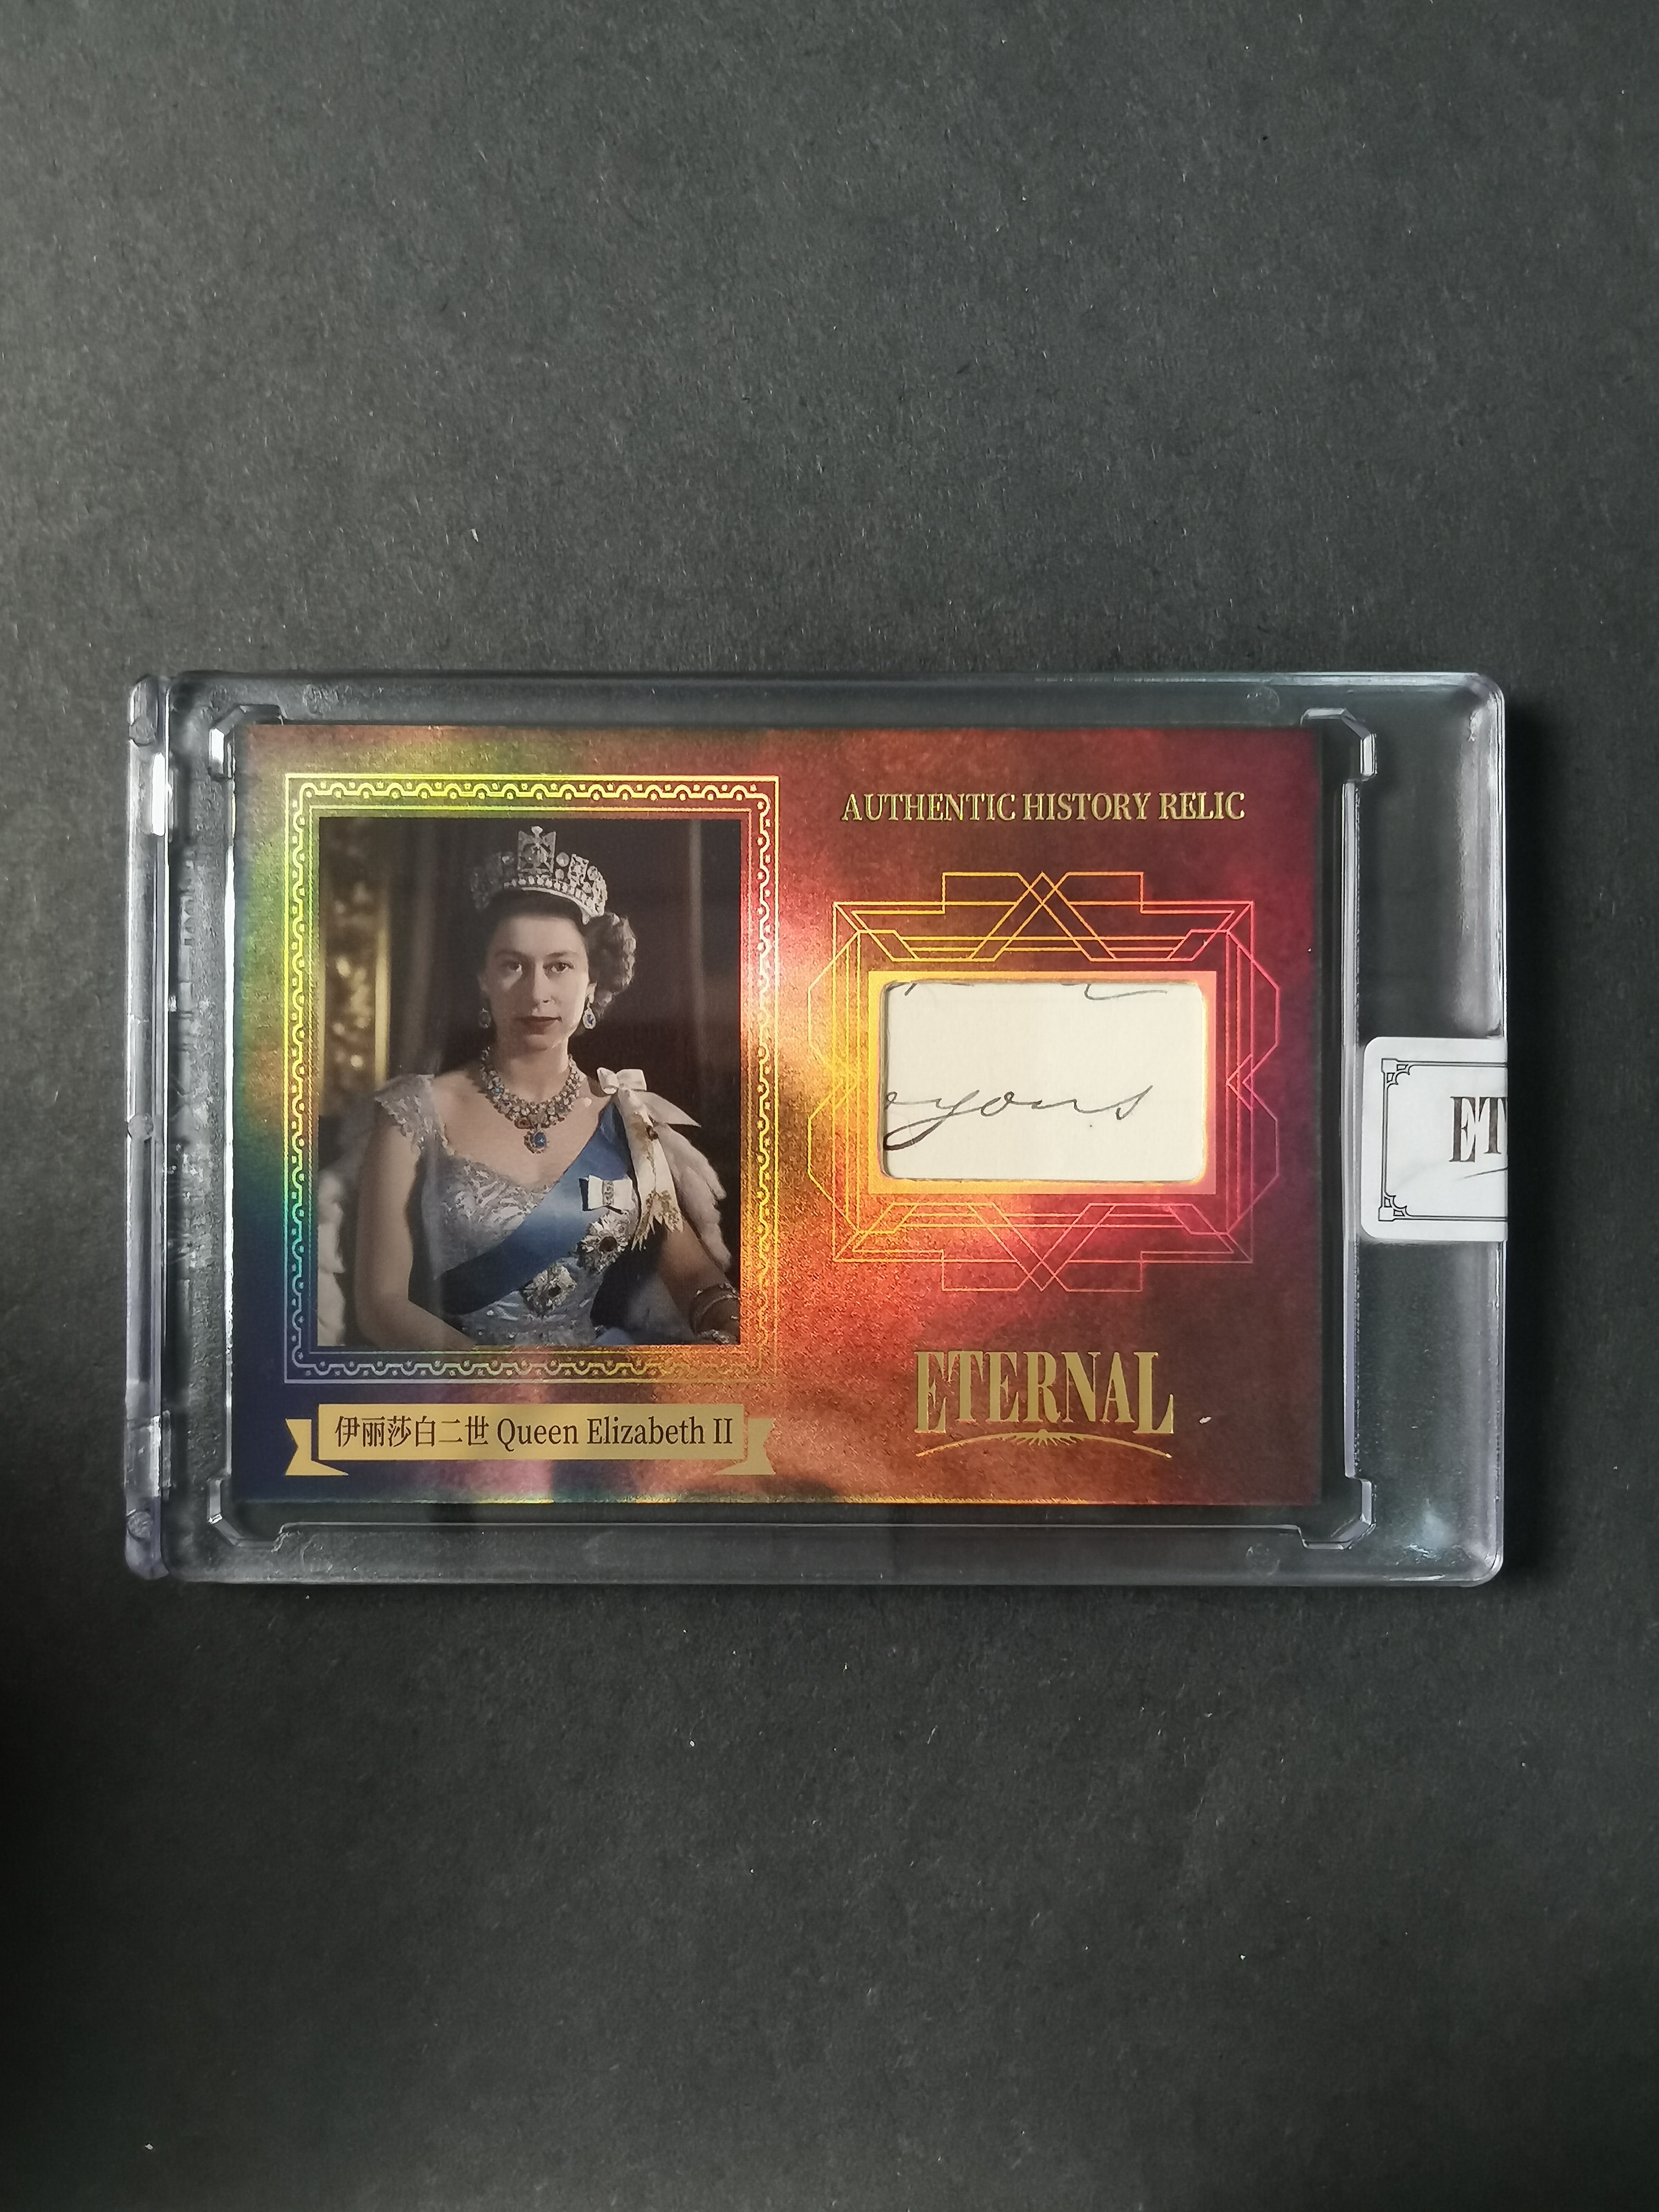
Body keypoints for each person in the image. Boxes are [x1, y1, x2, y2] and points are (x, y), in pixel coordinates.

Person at [353, 824, 737, 1349]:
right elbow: (381, 1304)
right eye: (513, 966)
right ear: (483, 979)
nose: (537, 992)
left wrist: (729, 1321)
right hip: (459, 1385)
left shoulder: (626, 1119)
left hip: (595, 1384)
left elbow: (692, 1274)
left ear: (592, 983)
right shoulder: (416, 1111)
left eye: (560, 967)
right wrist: (495, 1382)